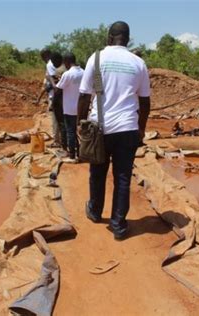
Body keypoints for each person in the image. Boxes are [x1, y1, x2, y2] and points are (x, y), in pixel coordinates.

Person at [77, 21, 151, 240]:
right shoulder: (138, 63)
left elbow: (84, 95)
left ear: (109, 38)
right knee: (123, 178)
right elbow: (145, 102)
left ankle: (95, 211)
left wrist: (80, 123)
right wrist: (141, 129)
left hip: (100, 127)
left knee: (97, 173)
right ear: (127, 40)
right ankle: (119, 225)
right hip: (127, 128)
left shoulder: (96, 58)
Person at [53, 52, 84, 161]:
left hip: (69, 108)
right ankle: (79, 152)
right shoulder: (83, 72)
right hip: (81, 108)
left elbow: (58, 89)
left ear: (66, 62)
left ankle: (72, 155)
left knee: (70, 131)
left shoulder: (68, 74)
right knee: (78, 131)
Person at [40, 49, 63, 148]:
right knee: (59, 119)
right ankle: (61, 140)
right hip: (58, 95)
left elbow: (54, 80)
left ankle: (57, 141)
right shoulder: (55, 65)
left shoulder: (49, 65)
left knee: (55, 119)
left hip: (54, 96)